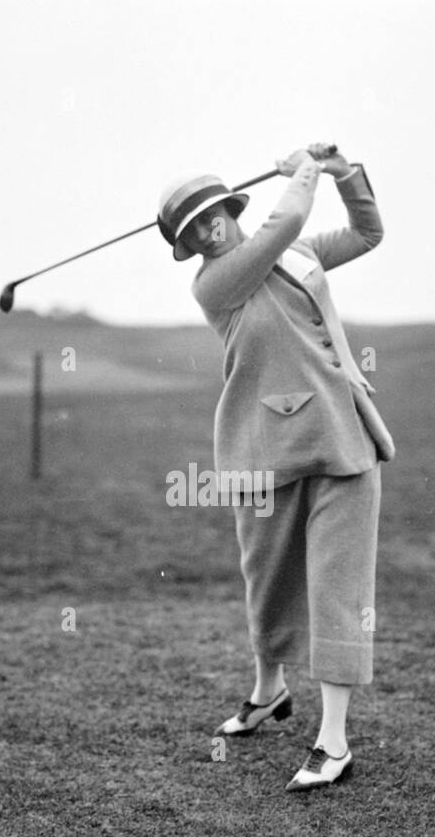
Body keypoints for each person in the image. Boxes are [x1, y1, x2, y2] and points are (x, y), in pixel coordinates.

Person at [156, 142, 395, 792]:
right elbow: (283, 221)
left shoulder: (297, 254)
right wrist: (304, 171)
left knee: (337, 588)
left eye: (213, 213)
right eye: (193, 227)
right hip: (260, 450)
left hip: (340, 436)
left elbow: (368, 233)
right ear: (189, 243)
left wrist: (342, 172)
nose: (209, 227)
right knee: (267, 579)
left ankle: (333, 740)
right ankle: (269, 690)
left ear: (230, 207)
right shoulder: (215, 281)